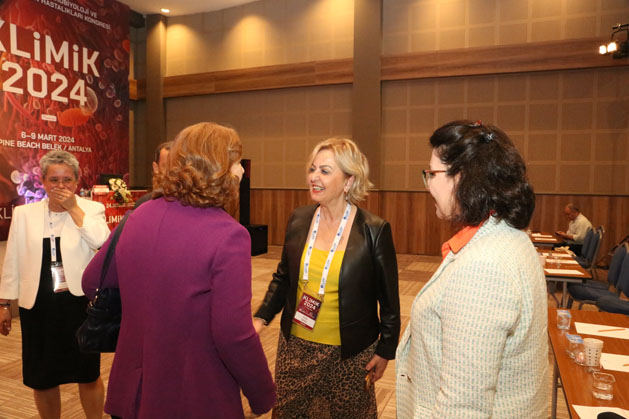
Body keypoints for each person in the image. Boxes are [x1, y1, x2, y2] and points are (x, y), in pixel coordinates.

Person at [82, 122, 276, 419]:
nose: (241, 170)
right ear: (219, 168)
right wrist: (262, 394)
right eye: (237, 162)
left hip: (132, 391)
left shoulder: (139, 215)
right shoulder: (229, 235)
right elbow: (232, 334)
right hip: (192, 394)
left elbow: (91, 281)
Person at [396, 121, 548, 418]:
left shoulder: (483, 266)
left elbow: (464, 406)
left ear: (461, 178)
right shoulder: (510, 237)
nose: (427, 185)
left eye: (432, 174)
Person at [253, 138, 400, 418]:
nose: (314, 177)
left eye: (325, 171)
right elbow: (283, 277)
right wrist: (261, 317)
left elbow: (389, 301)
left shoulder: (374, 230)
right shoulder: (299, 219)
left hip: (350, 353)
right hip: (296, 348)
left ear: (348, 181)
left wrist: (385, 350)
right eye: (312, 169)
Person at [0, 150, 110, 419]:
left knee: (87, 372)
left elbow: (101, 242)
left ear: (77, 181)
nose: (61, 186)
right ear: (43, 182)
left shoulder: (91, 209)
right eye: (54, 180)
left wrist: (73, 208)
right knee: (43, 376)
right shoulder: (24, 213)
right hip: (39, 306)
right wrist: (4, 303)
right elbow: (12, 258)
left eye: (67, 180)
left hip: (79, 304)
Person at [133, 140, 173, 208]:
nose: (173, 172)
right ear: (156, 168)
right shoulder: (143, 205)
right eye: (166, 166)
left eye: (178, 167)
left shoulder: (192, 204)